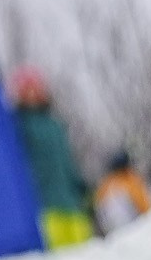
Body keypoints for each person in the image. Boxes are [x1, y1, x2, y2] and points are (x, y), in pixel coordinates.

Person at [7, 67, 94, 247]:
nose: (32, 93)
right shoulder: (17, 126)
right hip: (44, 204)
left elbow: (66, 161)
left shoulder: (55, 124)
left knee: (85, 256)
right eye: (27, 89)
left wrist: (81, 188)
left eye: (35, 88)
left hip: (71, 202)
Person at [92, 150, 151, 235]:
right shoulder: (131, 181)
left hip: (110, 231)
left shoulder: (106, 184)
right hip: (132, 229)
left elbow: (98, 209)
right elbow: (145, 208)